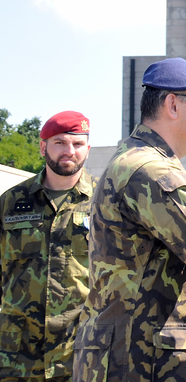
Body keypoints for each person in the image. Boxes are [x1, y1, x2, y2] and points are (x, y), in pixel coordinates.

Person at [74, 58, 186, 382]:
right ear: (173, 104)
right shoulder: (151, 172)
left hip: (133, 355)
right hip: (142, 362)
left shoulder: (140, 160)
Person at [0, 111, 94, 382]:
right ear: (43, 147)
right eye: (60, 143)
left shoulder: (105, 202)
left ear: (87, 148)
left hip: (81, 349)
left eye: (77, 144)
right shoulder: (10, 202)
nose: (70, 151)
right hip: (17, 353)